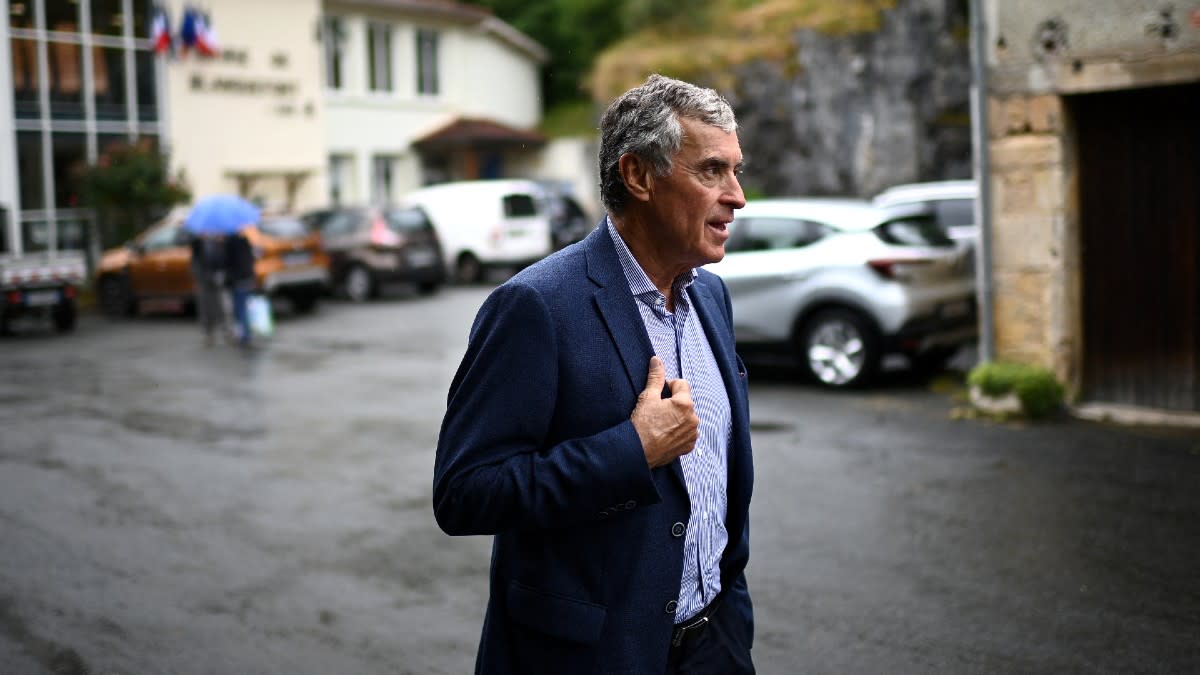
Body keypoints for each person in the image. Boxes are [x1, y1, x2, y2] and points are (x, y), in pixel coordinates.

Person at [433, 74, 755, 674]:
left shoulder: (711, 298)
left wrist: (731, 620)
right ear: (638, 176)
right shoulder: (536, 306)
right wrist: (632, 449)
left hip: (714, 645)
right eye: (711, 171)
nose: (737, 196)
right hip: (592, 658)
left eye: (736, 171)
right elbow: (464, 493)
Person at [189, 232, 228, 346]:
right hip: (203, 279)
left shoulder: (218, 242)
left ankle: (225, 330)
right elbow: (195, 259)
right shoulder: (197, 243)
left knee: (220, 305)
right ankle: (208, 333)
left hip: (216, 278)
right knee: (205, 306)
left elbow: (222, 259)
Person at [223, 228, 256, 346]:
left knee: (239, 308)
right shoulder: (245, 241)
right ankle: (246, 333)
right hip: (247, 277)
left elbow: (224, 262)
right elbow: (251, 258)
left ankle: (244, 335)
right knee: (245, 306)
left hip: (236, 280)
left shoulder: (228, 244)